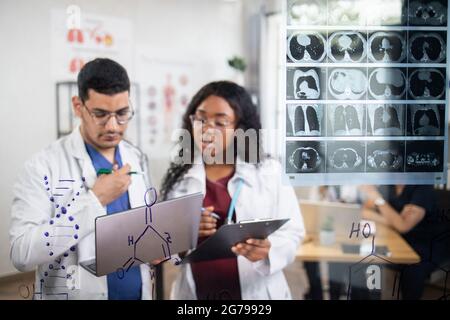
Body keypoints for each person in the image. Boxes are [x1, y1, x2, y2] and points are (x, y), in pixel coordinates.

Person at [10, 58, 155, 300]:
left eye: (122, 113)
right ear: (78, 106)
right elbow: (21, 254)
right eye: (100, 114)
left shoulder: (136, 156)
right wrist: (95, 201)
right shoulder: (42, 166)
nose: (112, 126)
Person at [160, 81, 305, 300]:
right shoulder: (180, 180)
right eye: (200, 119)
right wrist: (184, 234)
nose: (207, 129)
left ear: (240, 129)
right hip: (197, 295)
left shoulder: (269, 172)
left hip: (256, 295)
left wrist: (267, 250)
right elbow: (165, 245)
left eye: (220, 122)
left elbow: (293, 232)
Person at [359, 184, 450, 299]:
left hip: (426, 243)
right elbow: (365, 211)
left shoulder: (422, 188)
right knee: (368, 259)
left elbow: (404, 226)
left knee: (412, 269)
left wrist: (379, 200)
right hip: (399, 239)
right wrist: (395, 221)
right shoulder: (389, 184)